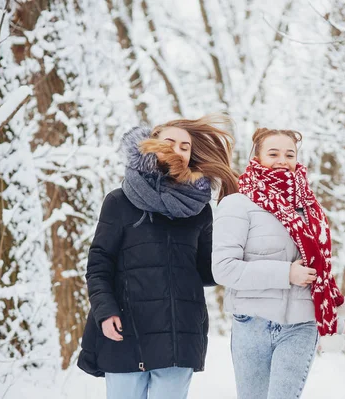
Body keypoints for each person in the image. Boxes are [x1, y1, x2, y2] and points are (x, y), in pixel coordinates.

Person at [77, 114, 239, 399]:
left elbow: (207, 271)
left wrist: (237, 246)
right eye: (170, 142)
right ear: (151, 144)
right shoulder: (119, 201)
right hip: (126, 330)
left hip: (180, 333)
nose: (178, 150)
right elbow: (99, 265)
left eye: (185, 146)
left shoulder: (199, 210)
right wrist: (105, 312)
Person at [212, 128, 345, 399]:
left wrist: (331, 310)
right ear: (257, 158)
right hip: (252, 322)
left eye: (289, 154)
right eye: (273, 153)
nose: (282, 160)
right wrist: (286, 273)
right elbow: (224, 268)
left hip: (302, 324)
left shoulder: (310, 208)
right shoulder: (237, 204)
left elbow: (322, 269)